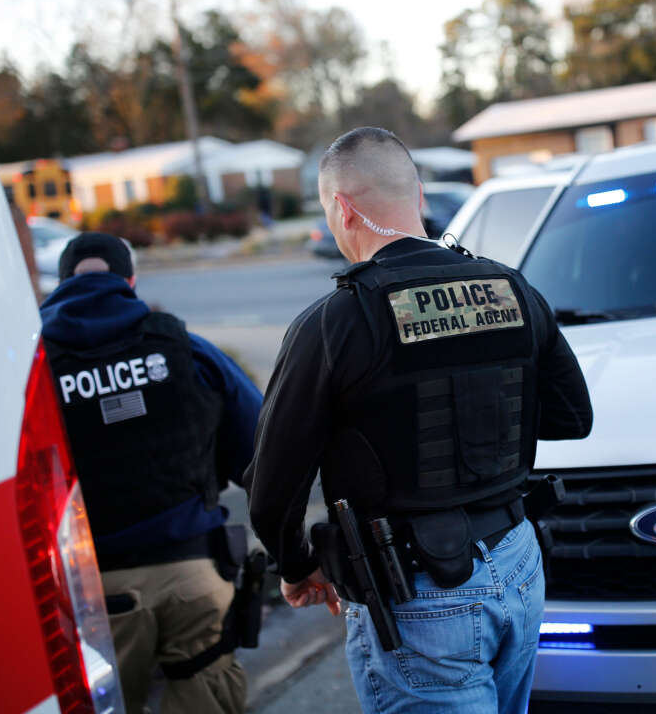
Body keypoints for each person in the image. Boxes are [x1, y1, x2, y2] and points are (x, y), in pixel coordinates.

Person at [245, 127, 593, 714]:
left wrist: (297, 566)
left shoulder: (336, 322)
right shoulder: (509, 287)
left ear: (341, 207)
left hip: (422, 596)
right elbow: (571, 416)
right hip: (518, 563)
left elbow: (272, 482)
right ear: (420, 196)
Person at [40, 232, 262, 714]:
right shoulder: (185, 348)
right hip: (193, 575)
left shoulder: (35, 371)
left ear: (60, 286)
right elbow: (262, 451)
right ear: (131, 281)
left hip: (93, 593)